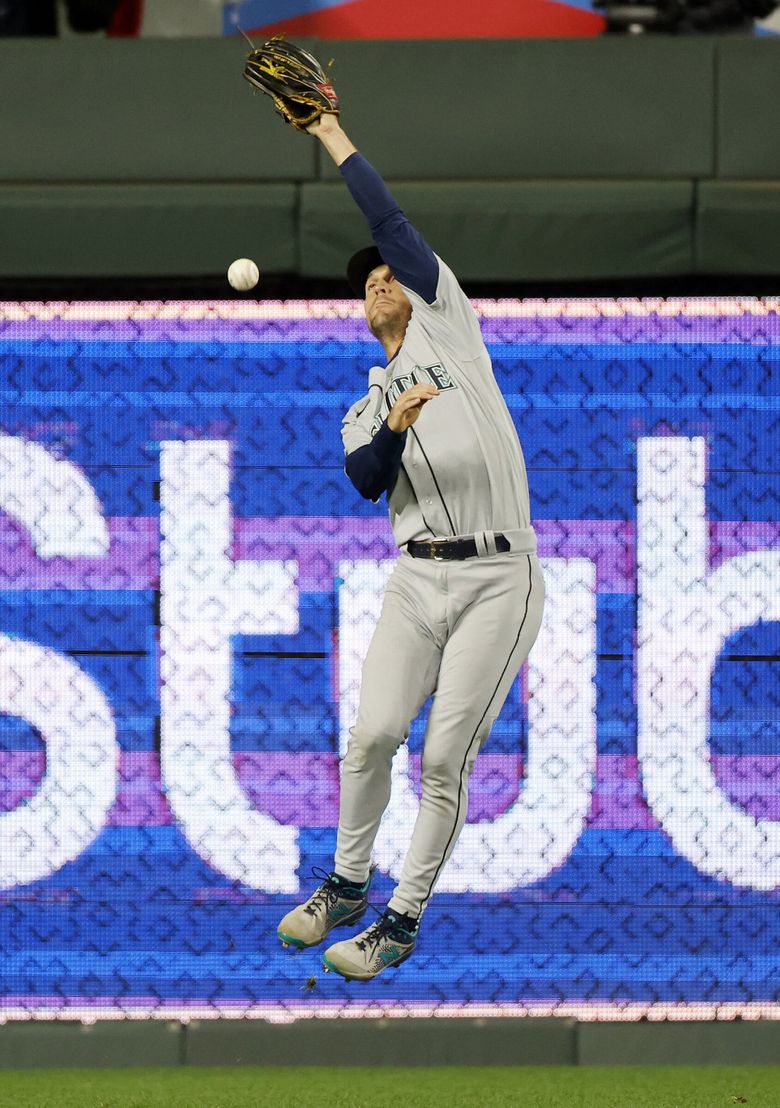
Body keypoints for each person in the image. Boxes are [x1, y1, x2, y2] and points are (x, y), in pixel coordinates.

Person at [277, 111, 545, 982]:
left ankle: (399, 918)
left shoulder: (446, 326)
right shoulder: (362, 403)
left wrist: (329, 134)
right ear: (361, 312)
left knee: (442, 758)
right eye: (370, 283)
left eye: (390, 275)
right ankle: (347, 885)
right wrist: (392, 425)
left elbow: (387, 221)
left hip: (501, 576)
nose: (382, 279)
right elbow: (363, 477)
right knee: (372, 737)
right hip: (417, 578)